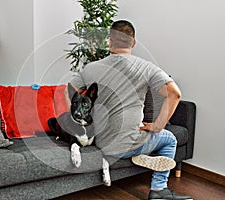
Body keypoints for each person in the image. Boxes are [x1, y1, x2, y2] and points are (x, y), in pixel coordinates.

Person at [66, 20, 192, 200]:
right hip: (128, 143)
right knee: (170, 139)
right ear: (133, 43)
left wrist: (81, 122)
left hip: (100, 142)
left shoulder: (91, 68)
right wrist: (157, 126)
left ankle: (142, 156)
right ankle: (158, 190)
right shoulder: (146, 67)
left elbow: (70, 91)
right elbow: (175, 94)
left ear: (109, 41)